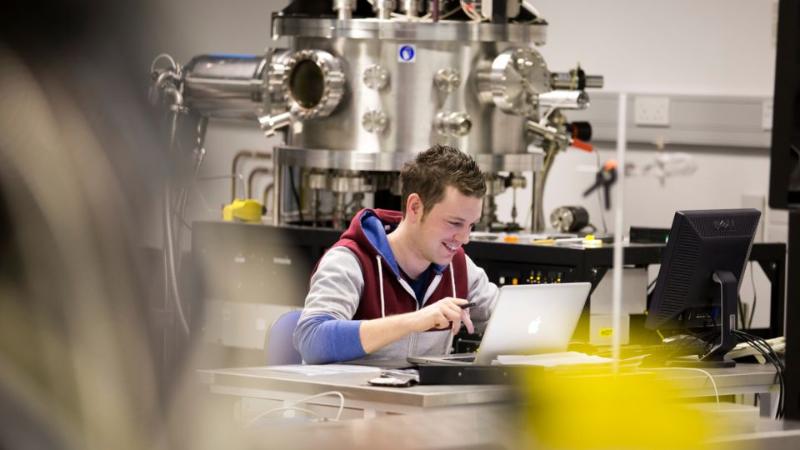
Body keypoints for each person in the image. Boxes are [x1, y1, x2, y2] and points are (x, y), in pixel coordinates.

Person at [293, 144, 499, 364]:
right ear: (415, 207)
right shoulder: (350, 261)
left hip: (421, 397)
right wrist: (415, 321)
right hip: (343, 398)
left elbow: (511, 318)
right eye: (454, 223)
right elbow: (312, 341)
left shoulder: (459, 267)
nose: (464, 238)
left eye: (471, 226)